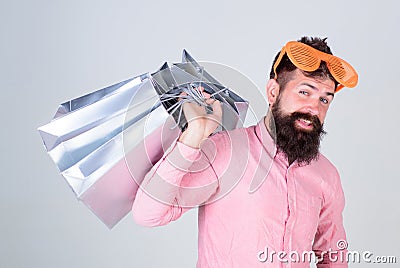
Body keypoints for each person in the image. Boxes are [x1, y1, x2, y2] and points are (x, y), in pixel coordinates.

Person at [132, 36, 358, 267]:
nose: (314, 108)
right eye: (304, 92)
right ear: (273, 92)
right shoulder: (225, 151)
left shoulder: (326, 175)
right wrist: (194, 134)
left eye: (324, 99)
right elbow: (148, 214)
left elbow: (333, 255)